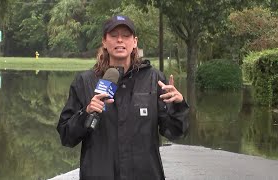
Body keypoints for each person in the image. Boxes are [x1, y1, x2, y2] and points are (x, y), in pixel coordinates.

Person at [57, 15, 189, 180]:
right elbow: (66, 136)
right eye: (114, 35)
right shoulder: (85, 82)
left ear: (134, 42)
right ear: (104, 42)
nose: (120, 40)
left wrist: (179, 106)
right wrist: (87, 112)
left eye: (126, 36)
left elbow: (175, 132)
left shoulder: (154, 79)